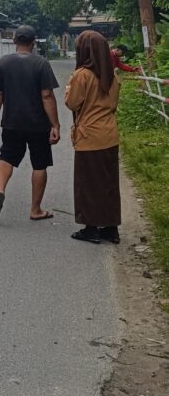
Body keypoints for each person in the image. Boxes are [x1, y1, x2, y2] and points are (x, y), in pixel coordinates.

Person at [0, 25, 61, 222]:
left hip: (12, 122)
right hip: (38, 124)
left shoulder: (3, 63)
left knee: (6, 157)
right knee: (39, 164)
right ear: (33, 42)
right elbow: (47, 95)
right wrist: (55, 124)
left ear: (14, 41)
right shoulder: (41, 64)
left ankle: (0, 190)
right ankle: (35, 210)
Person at [65, 30, 121, 244]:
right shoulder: (112, 75)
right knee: (108, 183)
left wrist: (69, 87)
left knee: (87, 184)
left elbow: (72, 103)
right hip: (110, 134)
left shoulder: (82, 75)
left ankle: (90, 229)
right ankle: (111, 228)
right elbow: (113, 104)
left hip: (89, 136)